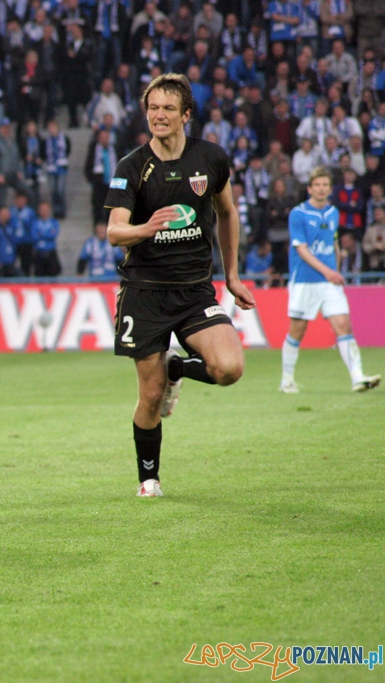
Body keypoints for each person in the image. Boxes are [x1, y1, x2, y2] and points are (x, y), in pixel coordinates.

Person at [104, 73, 256, 498]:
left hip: (194, 291)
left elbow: (227, 213)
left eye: (168, 108)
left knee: (229, 369)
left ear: (186, 114)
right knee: (151, 396)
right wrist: (146, 227)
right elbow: (114, 231)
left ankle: (177, 367)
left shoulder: (211, 159)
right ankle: (148, 479)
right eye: (153, 108)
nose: (159, 115)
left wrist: (232, 276)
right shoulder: (131, 167)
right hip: (145, 292)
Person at [279, 166, 380, 394]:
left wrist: (336, 268)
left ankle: (357, 377)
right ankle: (286, 380)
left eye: (325, 185)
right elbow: (302, 250)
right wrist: (329, 272)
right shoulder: (298, 214)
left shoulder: (333, 212)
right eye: (317, 185)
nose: (321, 189)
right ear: (310, 188)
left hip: (329, 282)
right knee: (297, 330)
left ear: (330, 189)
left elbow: (333, 242)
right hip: (304, 281)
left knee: (343, 325)